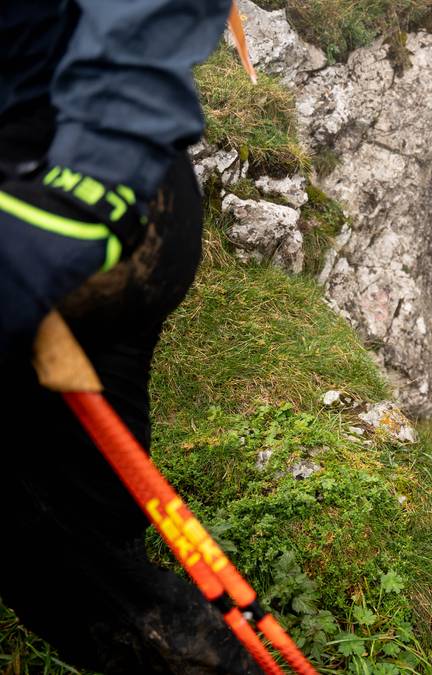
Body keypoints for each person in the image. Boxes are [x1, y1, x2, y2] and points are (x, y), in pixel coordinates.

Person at [0, 2, 262, 672]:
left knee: (58, 534)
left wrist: (88, 178)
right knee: (87, 509)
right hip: (108, 200)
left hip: (71, 196)